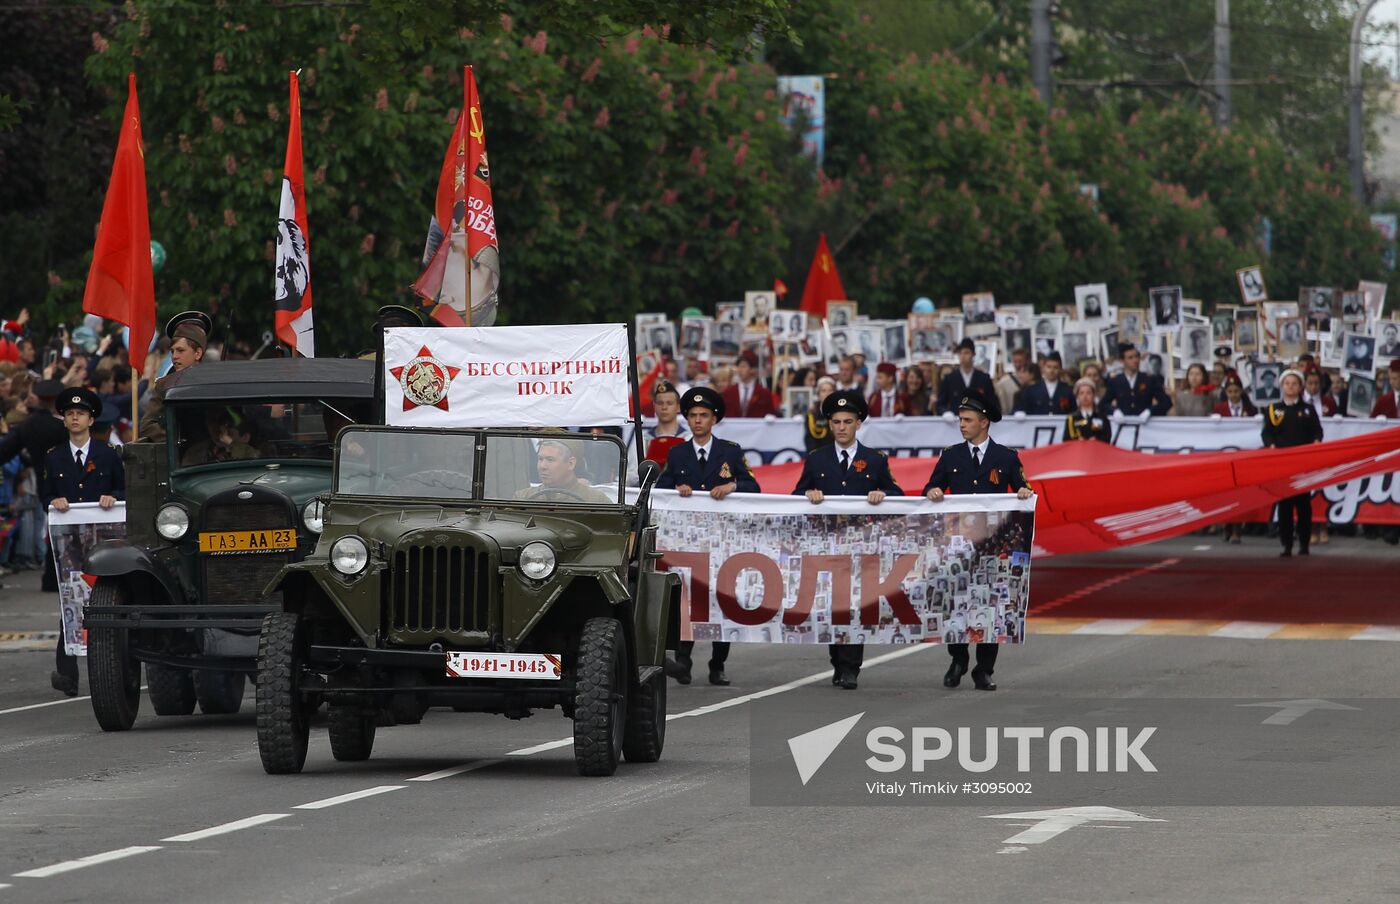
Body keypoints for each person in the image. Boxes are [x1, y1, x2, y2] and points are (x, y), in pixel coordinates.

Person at [922, 391, 1033, 692]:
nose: (962, 425)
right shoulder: (951, 456)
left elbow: (1024, 487)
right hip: (957, 546)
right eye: (960, 419)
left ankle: (984, 669)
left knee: (989, 608)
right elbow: (932, 484)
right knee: (954, 604)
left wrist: (1022, 493)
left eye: (968, 420)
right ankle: (957, 658)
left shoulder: (1006, 457)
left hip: (992, 548)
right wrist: (932, 490)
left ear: (984, 423)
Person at [793, 390, 903, 690]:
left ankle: (851, 667)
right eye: (836, 422)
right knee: (834, 605)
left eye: (847, 421)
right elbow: (794, 497)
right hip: (827, 545)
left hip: (862, 546)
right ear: (830, 425)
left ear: (858, 424)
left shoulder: (875, 460)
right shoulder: (817, 460)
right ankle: (837, 663)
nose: (841, 427)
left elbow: (899, 495)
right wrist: (808, 495)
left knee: (855, 604)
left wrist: (883, 494)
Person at [658, 386, 760, 686]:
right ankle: (684, 661)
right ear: (686, 419)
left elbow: (755, 487)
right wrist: (677, 490)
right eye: (692, 415)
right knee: (687, 602)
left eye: (704, 415)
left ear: (714, 418)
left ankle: (718, 664)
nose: (698, 421)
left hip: (723, 539)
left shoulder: (730, 451)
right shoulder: (677, 454)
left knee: (721, 602)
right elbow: (661, 490)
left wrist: (732, 487)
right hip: (688, 543)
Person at [41, 387, 124, 697]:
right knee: (70, 602)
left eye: (80, 414)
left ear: (91, 419)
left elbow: (125, 491)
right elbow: (45, 495)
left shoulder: (107, 454)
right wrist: (54, 501)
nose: (74, 418)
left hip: (102, 543)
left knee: (107, 602)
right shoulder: (55, 456)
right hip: (70, 546)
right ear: (64, 421)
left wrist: (113, 497)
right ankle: (67, 674)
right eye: (69, 414)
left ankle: (115, 667)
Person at [1261, 369, 1323, 558]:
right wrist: (1270, 445)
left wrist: (1316, 443)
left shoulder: (1307, 409)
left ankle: (1304, 543)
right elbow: (1267, 432)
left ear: (1300, 387)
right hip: (1282, 464)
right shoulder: (1274, 410)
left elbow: (1317, 431)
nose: (1290, 387)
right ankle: (1286, 544)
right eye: (1287, 383)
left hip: (1302, 464)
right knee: (1285, 506)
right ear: (1282, 386)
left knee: (1304, 505)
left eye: (1294, 383)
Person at [138, 311, 211, 442]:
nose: (174, 356)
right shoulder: (165, 385)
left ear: (198, 353)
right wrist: (174, 442)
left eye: (181, 350)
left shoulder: (214, 380)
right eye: (172, 351)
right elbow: (147, 424)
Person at [516, 438, 614, 503]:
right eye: (540, 459)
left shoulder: (596, 501)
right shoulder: (523, 498)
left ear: (571, 463)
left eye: (550, 460)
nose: (542, 466)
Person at [1101, 343, 1172, 416]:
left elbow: (1166, 402)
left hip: (1145, 424)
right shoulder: (1115, 381)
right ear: (1122, 361)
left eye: (1137, 356)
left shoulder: (1149, 379)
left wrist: (1150, 411)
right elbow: (1103, 404)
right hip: (1124, 423)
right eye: (1130, 358)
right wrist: (1114, 411)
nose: (1135, 360)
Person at [936, 338, 995, 414]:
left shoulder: (984, 379)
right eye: (960, 353)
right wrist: (945, 412)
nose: (963, 356)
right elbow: (941, 404)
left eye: (966, 353)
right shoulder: (949, 379)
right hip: (956, 421)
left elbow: (993, 403)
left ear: (973, 354)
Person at [644, 380, 688, 464]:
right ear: (654, 406)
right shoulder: (644, 440)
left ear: (678, 407)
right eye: (660, 403)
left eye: (669, 403)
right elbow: (634, 471)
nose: (664, 407)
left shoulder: (688, 438)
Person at [721, 351, 776, 418]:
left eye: (743, 366)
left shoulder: (763, 393)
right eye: (738, 367)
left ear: (752, 369)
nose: (740, 370)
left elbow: (771, 414)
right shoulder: (729, 392)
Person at [1063, 378, 1111, 442]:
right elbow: (1066, 440)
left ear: (1094, 395)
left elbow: (1107, 437)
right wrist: (1077, 440)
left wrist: (1097, 440)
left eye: (1088, 393)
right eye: (1081, 393)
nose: (1085, 396)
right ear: (1077, 396)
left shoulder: (1101, 417)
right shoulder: (1071, 418)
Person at [803, 376, 837, 452]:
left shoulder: (840, 412)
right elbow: (809, 438)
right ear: (818, 394)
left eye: (830, 390)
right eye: (823, 391)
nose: (827, 393)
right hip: (817, 452)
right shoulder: (812, 414)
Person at [996, 347, 1031, 414]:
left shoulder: (1036, 381)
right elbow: (1003, 408)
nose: (1017, 364)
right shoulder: (1003, 383)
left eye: (1020, 361)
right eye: (1015, 361)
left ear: (1027, 361)